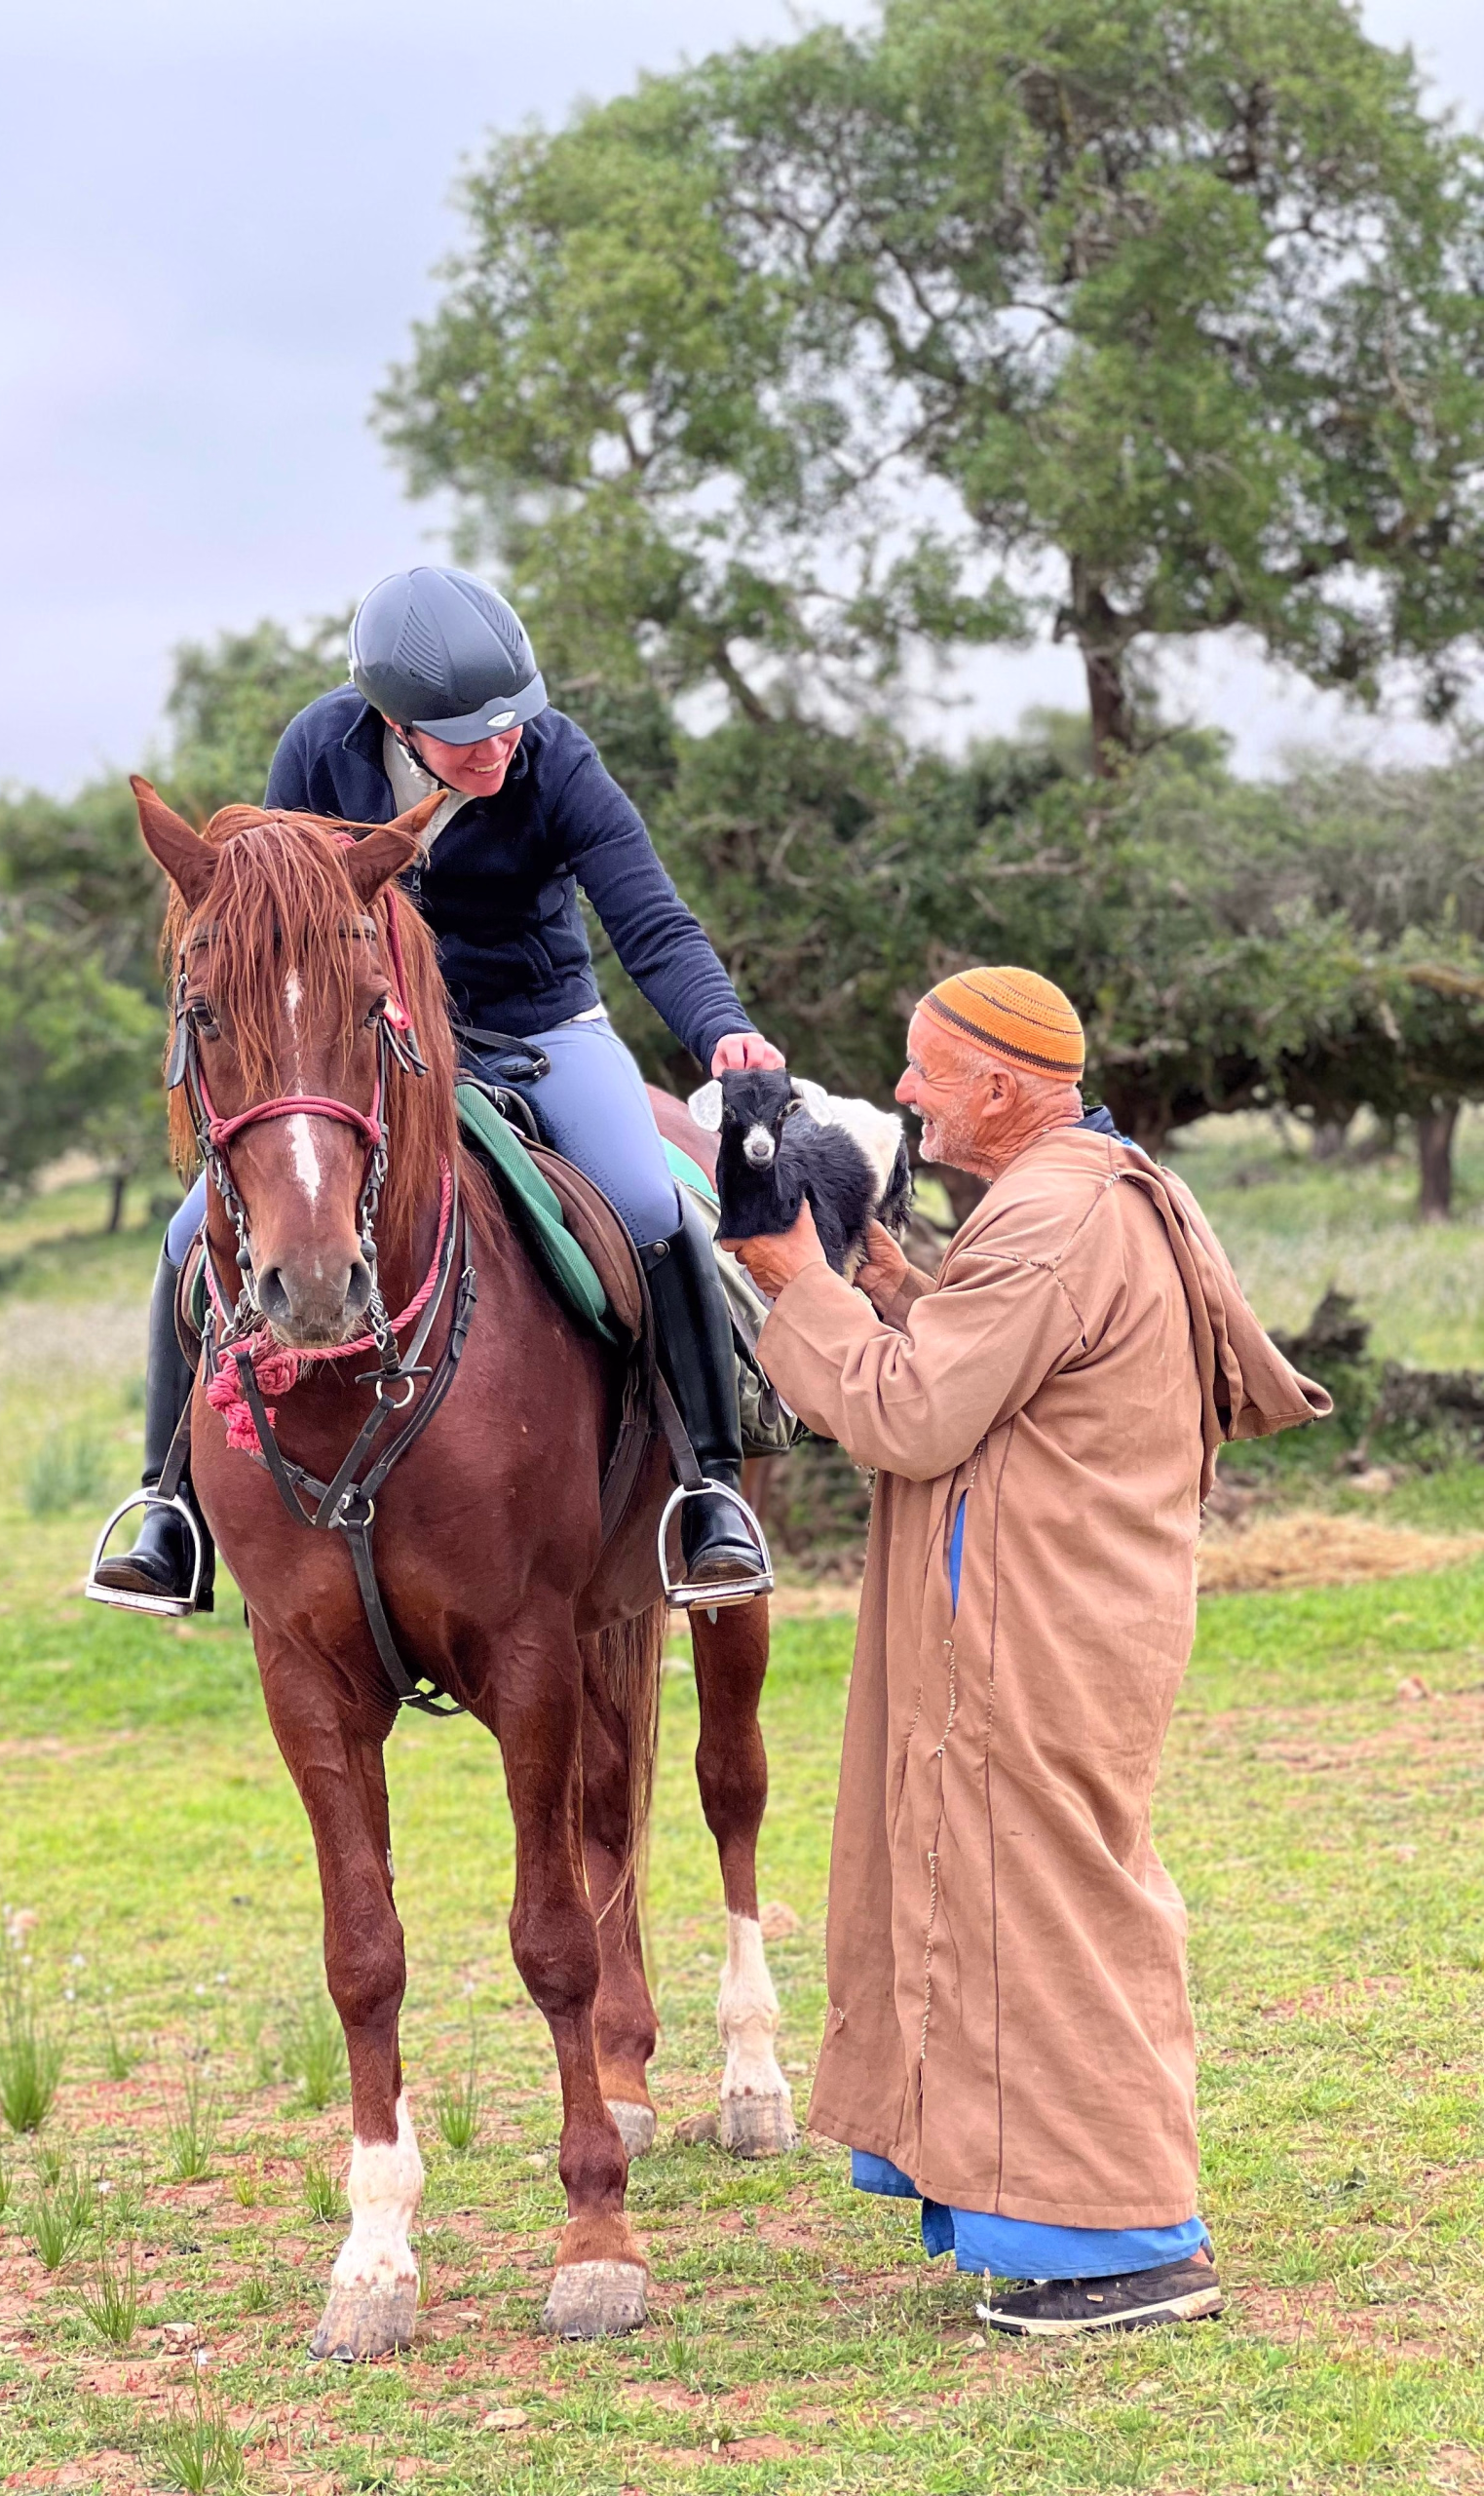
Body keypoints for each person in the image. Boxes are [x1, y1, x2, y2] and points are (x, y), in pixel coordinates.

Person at [722, 967, 1330, 2338]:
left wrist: (794, 1282)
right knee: (1026, 1896)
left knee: (1051, 1906)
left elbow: (919, 1411)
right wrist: (880, 1271)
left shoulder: (1052, 1216)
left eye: (926, 1069)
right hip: (1067, 1610)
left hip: (1030, 1624)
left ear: (1000, 1086)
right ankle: (1045, 2215)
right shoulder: (1085, 1189)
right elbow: (993, 1357)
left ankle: (1130, 2249)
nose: (901, 1092)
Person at [94, 563, 781, 1611]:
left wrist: (723, 1031)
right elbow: (287, 936)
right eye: (468, 732)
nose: (499, 745)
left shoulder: (557, 762)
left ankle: (711, 1493)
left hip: (542, 1027)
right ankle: (168, 1509)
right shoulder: (319, 751)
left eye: (512, 721)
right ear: (394, 720)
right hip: (375, 1042)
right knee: (190, 1236)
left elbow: (651, 921)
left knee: (649, 1204)